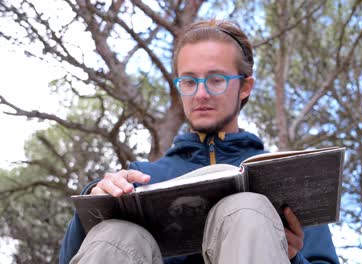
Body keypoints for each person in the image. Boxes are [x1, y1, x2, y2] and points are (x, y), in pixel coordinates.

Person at [59, 19, 339, 264]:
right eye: (190, 82)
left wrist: (291, 257)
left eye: (216, 79)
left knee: (247, 211)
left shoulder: (288, 176)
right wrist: (94, 205)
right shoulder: (141, 178)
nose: (201, 94)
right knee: (117, 234)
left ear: (245, 87)